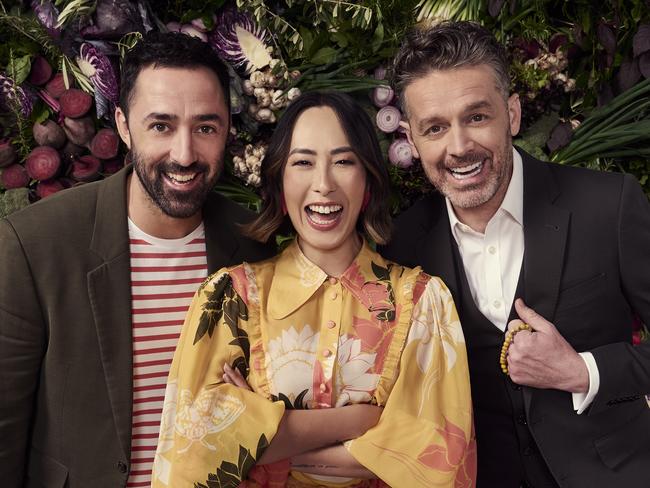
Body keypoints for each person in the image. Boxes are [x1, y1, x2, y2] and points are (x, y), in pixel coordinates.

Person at [151, 91, 476, 487]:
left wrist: (266, 436)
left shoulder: (423, 302)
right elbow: (192, 451)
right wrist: (360, 422)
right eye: (303, 162)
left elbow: (441, 459)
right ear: (280, 182)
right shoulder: (230, 299)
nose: (323, 184)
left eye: (343, 162)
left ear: (368, 181)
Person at [380, 20, 650, 488]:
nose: (459, 146)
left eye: (477, 117)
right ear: (411, 137)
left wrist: (584, 371)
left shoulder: (609, 205)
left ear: (514, 114)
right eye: (435, 128)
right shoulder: (400, 247)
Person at [0, 32, 273, 487]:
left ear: (227, 128)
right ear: (124, 126)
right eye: (161, 126)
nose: (184, 154)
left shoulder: (256, 245)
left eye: (205, 127)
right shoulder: (35, 245)